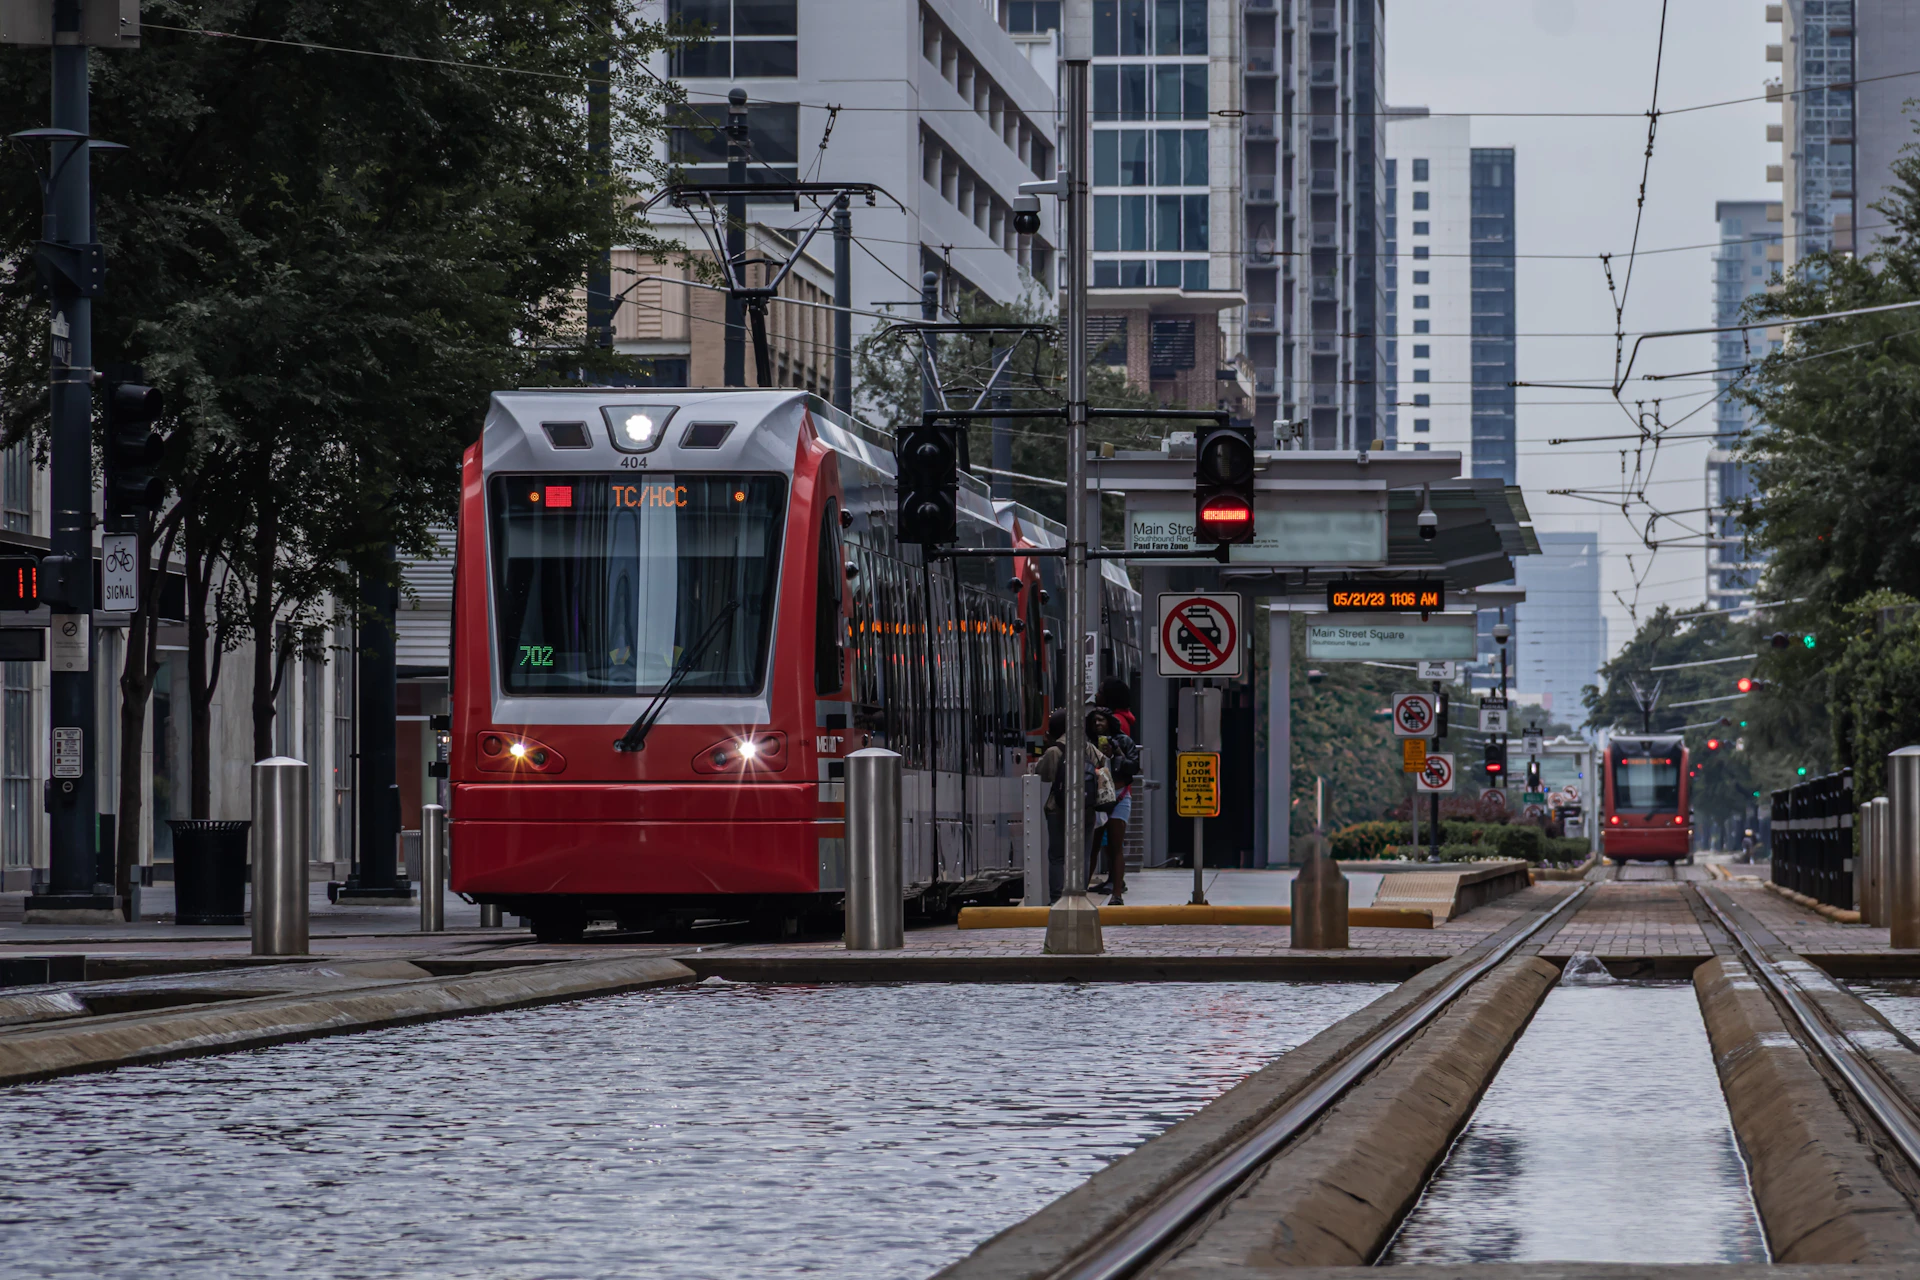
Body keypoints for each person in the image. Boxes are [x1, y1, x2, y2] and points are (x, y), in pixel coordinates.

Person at [1035, 707, 1106, 900]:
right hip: (1087, 809)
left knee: (1057, 856)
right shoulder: (1088, 748)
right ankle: (1079, 896)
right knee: (1082, 855)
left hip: (1058, 808)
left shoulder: (1054, 751)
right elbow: (1103, 766)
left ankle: (1057, 898)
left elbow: (1041, 774)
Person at [1086, 703, 1140, 904]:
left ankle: (1117, 894)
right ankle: (1080, 893)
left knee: (1117, 846)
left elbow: (1133, 767)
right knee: (1092, 846)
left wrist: (1116, 753)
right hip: (1096, 797)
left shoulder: (1124, 741)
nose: (1098, 724)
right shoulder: (1087, 743)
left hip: (1119, 795)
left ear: (1110, 722)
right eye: (1094, 721)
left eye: (1101, 720)